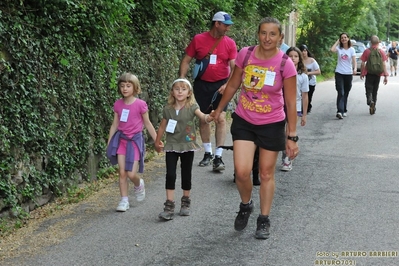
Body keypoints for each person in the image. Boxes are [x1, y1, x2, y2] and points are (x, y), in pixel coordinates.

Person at [211, 17, 299, 240]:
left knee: (266, 173)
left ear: (280, 37)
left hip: (272, 123)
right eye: (263, 33)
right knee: (241, 172)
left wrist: (292, 136)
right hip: (245, 120)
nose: (267, 38)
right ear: (258, 34)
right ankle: (246, 204)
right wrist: (219, 109)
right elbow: (233, 84)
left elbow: (290, 103)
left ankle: (264, 219)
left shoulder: (285, 64)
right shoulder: (246, 54)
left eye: (272, 34)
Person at [179, 11, 237, 171]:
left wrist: (228, 84)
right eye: (225, 25)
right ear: (216, 24)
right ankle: (207, 153)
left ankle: (218, 156)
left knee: (221, 118)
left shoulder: (230, 43)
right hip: (201, 85)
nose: (228, 28)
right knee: (204, 119)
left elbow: (234, 67)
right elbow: (186, 60)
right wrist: (182, 81)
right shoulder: (199, 39)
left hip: (222, 85)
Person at [155, 78, 213, 220]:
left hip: (188, 145)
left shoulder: (192, 107)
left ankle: (185, 201)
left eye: (183, 89)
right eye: (177, 89)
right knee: (170, 174)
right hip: (171, 145)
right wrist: (157, 141)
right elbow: (162, 126)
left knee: (186, 173)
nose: (180, 91)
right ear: (172, 92)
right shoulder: (167, 109)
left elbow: (203, 117)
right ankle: (169, 205)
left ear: (189, 93)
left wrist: (210, 117)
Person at [107, 72, 160, 212]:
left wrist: (157, 140)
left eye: (128, 86)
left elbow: (148, 124)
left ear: (135, 88)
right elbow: (114, 124)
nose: (125, 88)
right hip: (122, 141)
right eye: (122, 86)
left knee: (131, 174)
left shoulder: (140, 104)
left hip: (135, 141)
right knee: (122, 172)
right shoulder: (118, 104)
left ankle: (138, 183)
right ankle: (124, 200)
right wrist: (109, 142)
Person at [281, 47, 309, 172]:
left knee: (289, 132)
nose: (293, 58)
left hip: (295, 107)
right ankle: (284, 152)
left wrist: (304, 114)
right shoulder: (281, 72)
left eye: (296, 56)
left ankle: (287, 159)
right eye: (290, 56)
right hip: (280, 105)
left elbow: (305, 95)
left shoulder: (303, 76)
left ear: (299, 59)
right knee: (280, 133)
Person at [330, 32, 357, 119]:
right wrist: (337, 41)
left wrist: (355, 68)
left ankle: (344, 109)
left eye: (345, 37)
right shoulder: (339, 48)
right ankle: (340, 111)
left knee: (346, 92)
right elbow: (332, 50)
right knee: (340, 91)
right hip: (339, 73)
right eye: (342, 38)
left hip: (348, 73)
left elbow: (354, 61)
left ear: (348, 38)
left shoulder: (351, 49)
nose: (344, 39)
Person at [360, 35, 388, 115]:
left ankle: (370, 101)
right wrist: (385, 76)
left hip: (369, 74)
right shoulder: (381, 51)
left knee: (368, 89)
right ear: (378, 42)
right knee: (375, 91)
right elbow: (384, 64)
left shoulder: (367, 51)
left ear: (370, 42)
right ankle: (373, 106)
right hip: (378, 74)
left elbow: (362, 63)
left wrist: (362, 73)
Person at [299, 44, 321, 113]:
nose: (303, 52)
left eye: (305, 51)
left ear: (307, 51)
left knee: (309, 96)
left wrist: (309, 73)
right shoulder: (299, 61)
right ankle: (302, 109)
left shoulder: (312, 60)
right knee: (301, 96)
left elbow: (318, 72)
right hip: (301, 82)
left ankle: (308, 107)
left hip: (311, 82)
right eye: (302, 51)